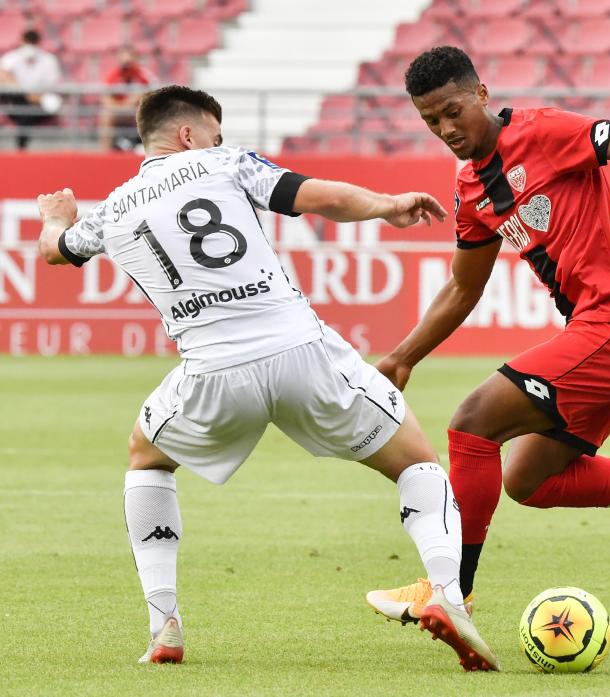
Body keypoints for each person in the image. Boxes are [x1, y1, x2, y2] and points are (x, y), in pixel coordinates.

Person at [35, 85, 498, 672]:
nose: (218, 141)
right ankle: (448, 596)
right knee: (416, 461)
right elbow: (316, 196)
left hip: (210, 371)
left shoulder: (116, 208)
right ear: (188, 135)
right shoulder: (225, 162)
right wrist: (386, 204)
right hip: (300, 350)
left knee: (146, 458)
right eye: (213, 131)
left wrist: (55, 218)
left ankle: (164, 625)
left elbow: (56, 250)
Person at [366, 46, 610, 626]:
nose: (447, 129)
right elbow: (463, 288)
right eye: (431, 121)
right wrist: (403, 357)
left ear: (481, 94)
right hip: (608, 334)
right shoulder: (470, 189)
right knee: (530, 479)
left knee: (472, 420)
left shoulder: (541, 130)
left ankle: (450, 590)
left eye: (454, 111)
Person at [0, 29, 61, 149]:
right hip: (16, 101)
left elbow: (52, 85)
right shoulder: (11, 58)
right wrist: (26, 93)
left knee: (27, 111)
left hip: (39, 103)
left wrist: (35, 96)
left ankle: (21, 147)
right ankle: (21, 147)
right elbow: (3, 76)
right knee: (24, 107)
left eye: (32, 43)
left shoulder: (49, 60)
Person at [98, 46, 156, 151]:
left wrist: (134, 101)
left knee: (149, 115)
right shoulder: (113, 75)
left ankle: (150, 151)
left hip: (138, 112)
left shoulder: (144, 75)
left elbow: (150, 94)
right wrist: (121, 107)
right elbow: (105, 98)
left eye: (129, 58)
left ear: (135, 58)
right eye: (123, 58)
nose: (126, 62)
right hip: (119, 111)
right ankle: (104, 153)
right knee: (106, 116)